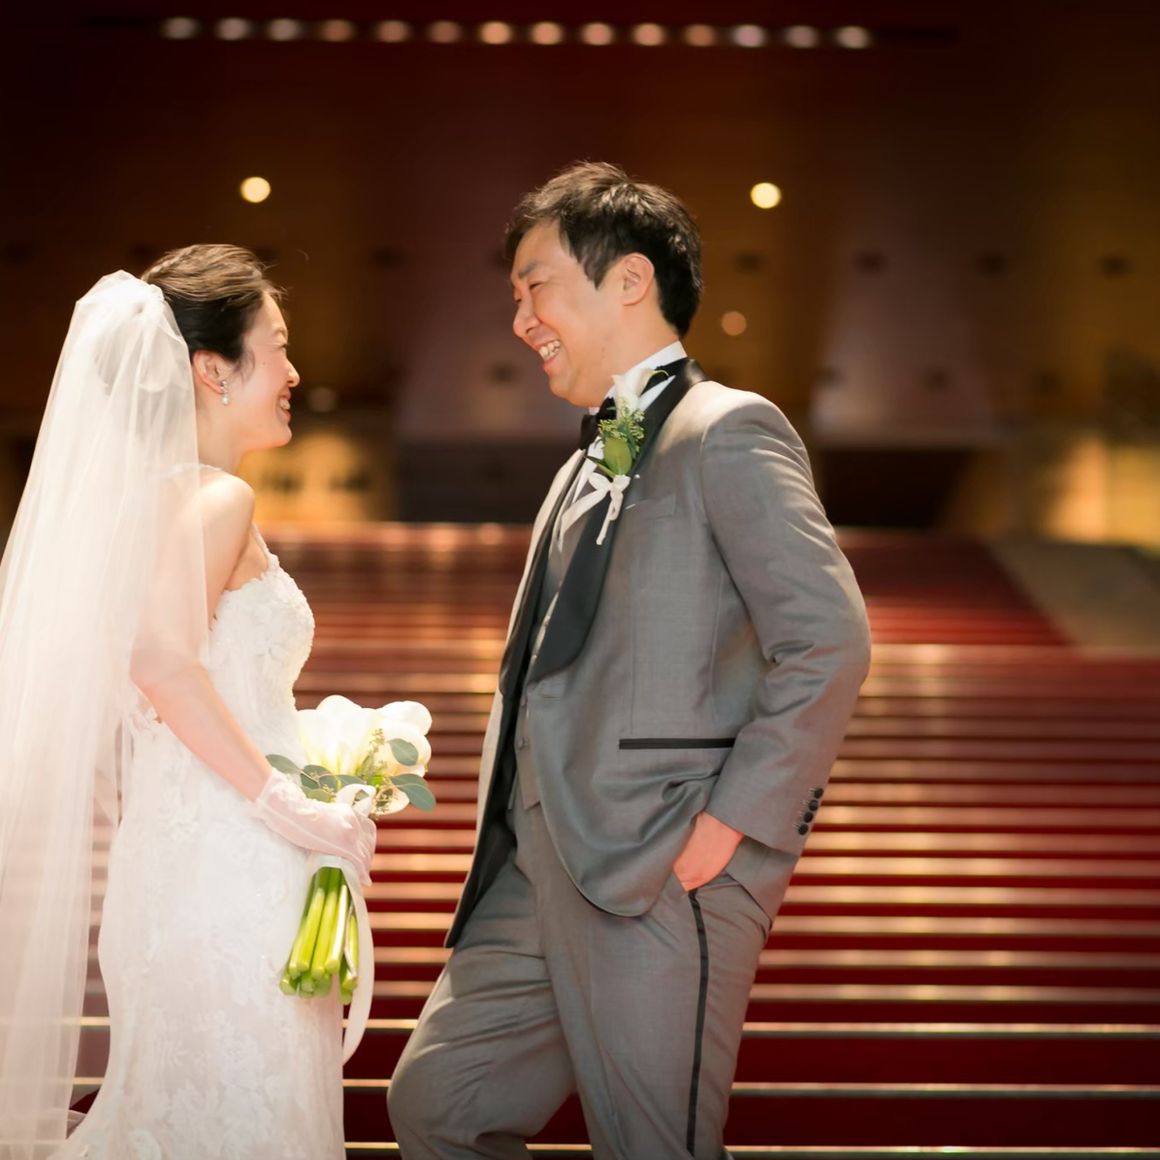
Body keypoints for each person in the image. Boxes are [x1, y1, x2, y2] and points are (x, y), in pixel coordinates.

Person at [388, 163, 872, 1159]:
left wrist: (730, 824)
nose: (519, 318)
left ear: (630, 280)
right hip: (535, 860)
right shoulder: (592, 454)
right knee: (438, 1103)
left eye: (535, 285)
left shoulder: (728, 429)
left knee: (651, 1145)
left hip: (659, 857)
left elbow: (827, 638)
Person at [0, 245, 376, 1160]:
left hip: (180, 856)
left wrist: (314, 757)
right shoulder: (217, 500)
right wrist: (286, 802)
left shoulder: (151, 505)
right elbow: (162, 664)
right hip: (232, 866)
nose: (294, 372)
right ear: (213, 369)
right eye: (276, 347)